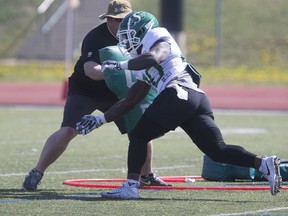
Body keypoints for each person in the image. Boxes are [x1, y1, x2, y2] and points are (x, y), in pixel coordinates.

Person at [76, 11, 282, 199]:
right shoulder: (141, 59)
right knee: (217, 150)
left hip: (178, 92)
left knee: (139, 135)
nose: (126, 40)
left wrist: (121, 65)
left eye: (130, 34)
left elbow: (155, 56)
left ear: (143, 30)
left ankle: (131, 186)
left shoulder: (158, 36)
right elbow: (131, 100)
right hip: (195, 98)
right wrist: (101, 119)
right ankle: (263, 162)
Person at [22, 1, 170, 191]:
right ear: (107, 19)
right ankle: (37, 171)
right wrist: (114, 69)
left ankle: (146, 175)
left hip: (118, 92)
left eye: (123, 20)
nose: (119, 24)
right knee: (69, 130)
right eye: (114, 20)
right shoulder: (95, 37)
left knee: (140, 129)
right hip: (87, 90)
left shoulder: (139, 33)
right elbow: (91, 70)